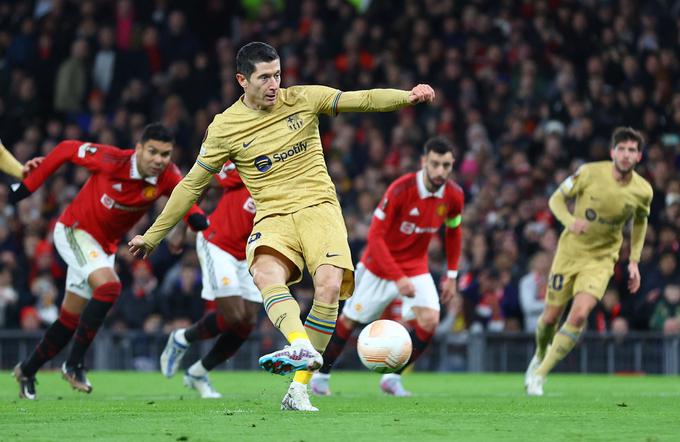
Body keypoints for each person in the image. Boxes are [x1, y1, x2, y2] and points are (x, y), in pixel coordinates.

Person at [128, 41, 435, 411]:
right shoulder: (225, 127)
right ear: (242, 80)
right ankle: (300, 344)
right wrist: (153, 235)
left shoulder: (303, 99)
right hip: (272, 213)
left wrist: (407, 96)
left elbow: (363, 99)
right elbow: (191, 185)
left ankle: (298, 389)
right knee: (265, 273)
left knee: (328, 285)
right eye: (264, 78)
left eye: (277, 74)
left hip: (319, 208)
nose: (275, 84)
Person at [10, 123, 208, 400]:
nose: (158, 160)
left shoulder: (167, 176)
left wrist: (196, 219)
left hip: (103, 248)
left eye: (165, 154)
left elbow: (184, 197)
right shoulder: (111, 159)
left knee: (69, 320)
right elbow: (66, 149)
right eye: (152, 151)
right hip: (74, 231)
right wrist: (26, 186)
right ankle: (74, 364)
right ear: (138, 149)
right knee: (109, 287)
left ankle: (27, 371)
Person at [310, 137, 464, 397]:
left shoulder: (454, 195)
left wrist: (451, 275)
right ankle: (322, 376)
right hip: (378, 267)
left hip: (416, 267)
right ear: (424, 162)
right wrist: (397, 277)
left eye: (446, 166)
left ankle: (392, 378)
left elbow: (454, 231)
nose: (441, 171)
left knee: (430, 320)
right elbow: (375, 238)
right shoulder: (400, 190)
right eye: (436, 164)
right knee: (350, 321)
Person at [525, 127, 652, 396]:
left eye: (632, 150)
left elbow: (640, 222)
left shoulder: (643, 191)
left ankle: (539, 374)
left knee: (580, 313)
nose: (626, 155)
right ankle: (539, 354)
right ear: (612, 152)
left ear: (639, 156)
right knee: (549, 317)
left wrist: (634, 261)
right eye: (622, 149)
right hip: (570, 252)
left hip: (602, 258)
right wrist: (571, 222)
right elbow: (556, 199)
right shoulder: (589, 172)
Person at [159, 162, 260, 399]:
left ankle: (197, 372)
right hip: (217, 243)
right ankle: (181, 338)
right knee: (233, 315)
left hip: (247, 253)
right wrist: (183, 227)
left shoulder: (294, 182)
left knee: (247, 321)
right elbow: (201, 182)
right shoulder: (252, 162)